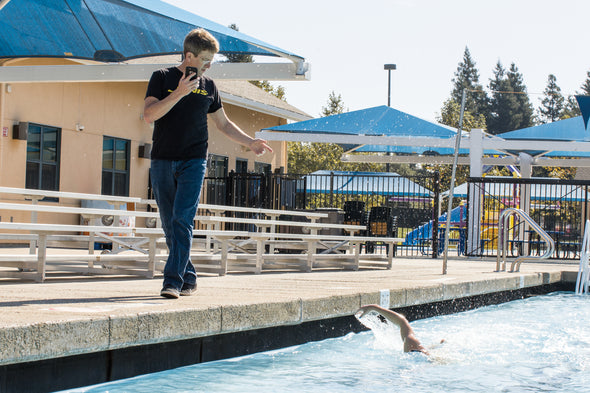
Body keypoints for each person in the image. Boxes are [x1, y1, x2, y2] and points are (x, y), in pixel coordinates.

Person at [143, 28, 273, 299]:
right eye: (205, 59)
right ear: (189, 56)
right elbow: (149, 115)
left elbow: (224, 123)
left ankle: (172, 282)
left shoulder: (209, 86)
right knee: (170, 223)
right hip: (162, 160)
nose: (209, 65)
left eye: (212, 60)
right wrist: (178, 93)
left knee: (182, 220)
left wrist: (250, 142)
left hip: (194, 160)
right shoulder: (161, 77)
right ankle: (189, 276)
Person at [356, 304, 430, 354]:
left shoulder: (413, 346)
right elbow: (402, 322)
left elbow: (402, 322)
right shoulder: (410, 343)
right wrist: (374, 308)